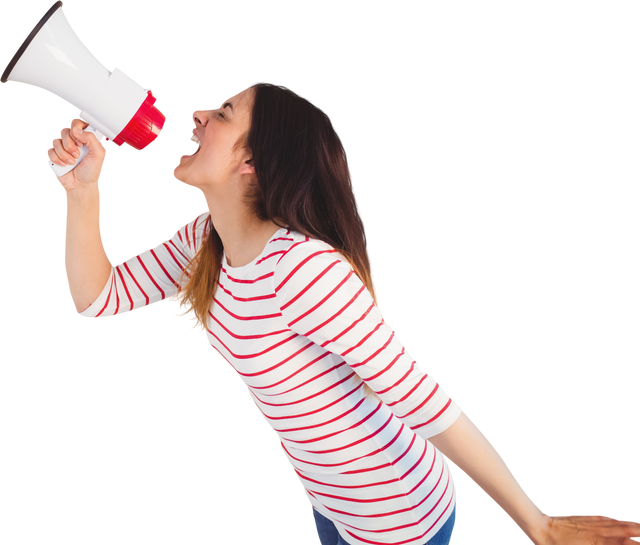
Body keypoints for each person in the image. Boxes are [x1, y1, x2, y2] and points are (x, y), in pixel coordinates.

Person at [47, 80, 639, 545]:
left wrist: (535, 522)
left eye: (223, 112)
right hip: (327, 500)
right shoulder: (208, 237)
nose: (197, 113)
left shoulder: (302, 269)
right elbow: (97, 299)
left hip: (398, 517)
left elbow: (420, 396)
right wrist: (81, 191)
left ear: (254, 159)